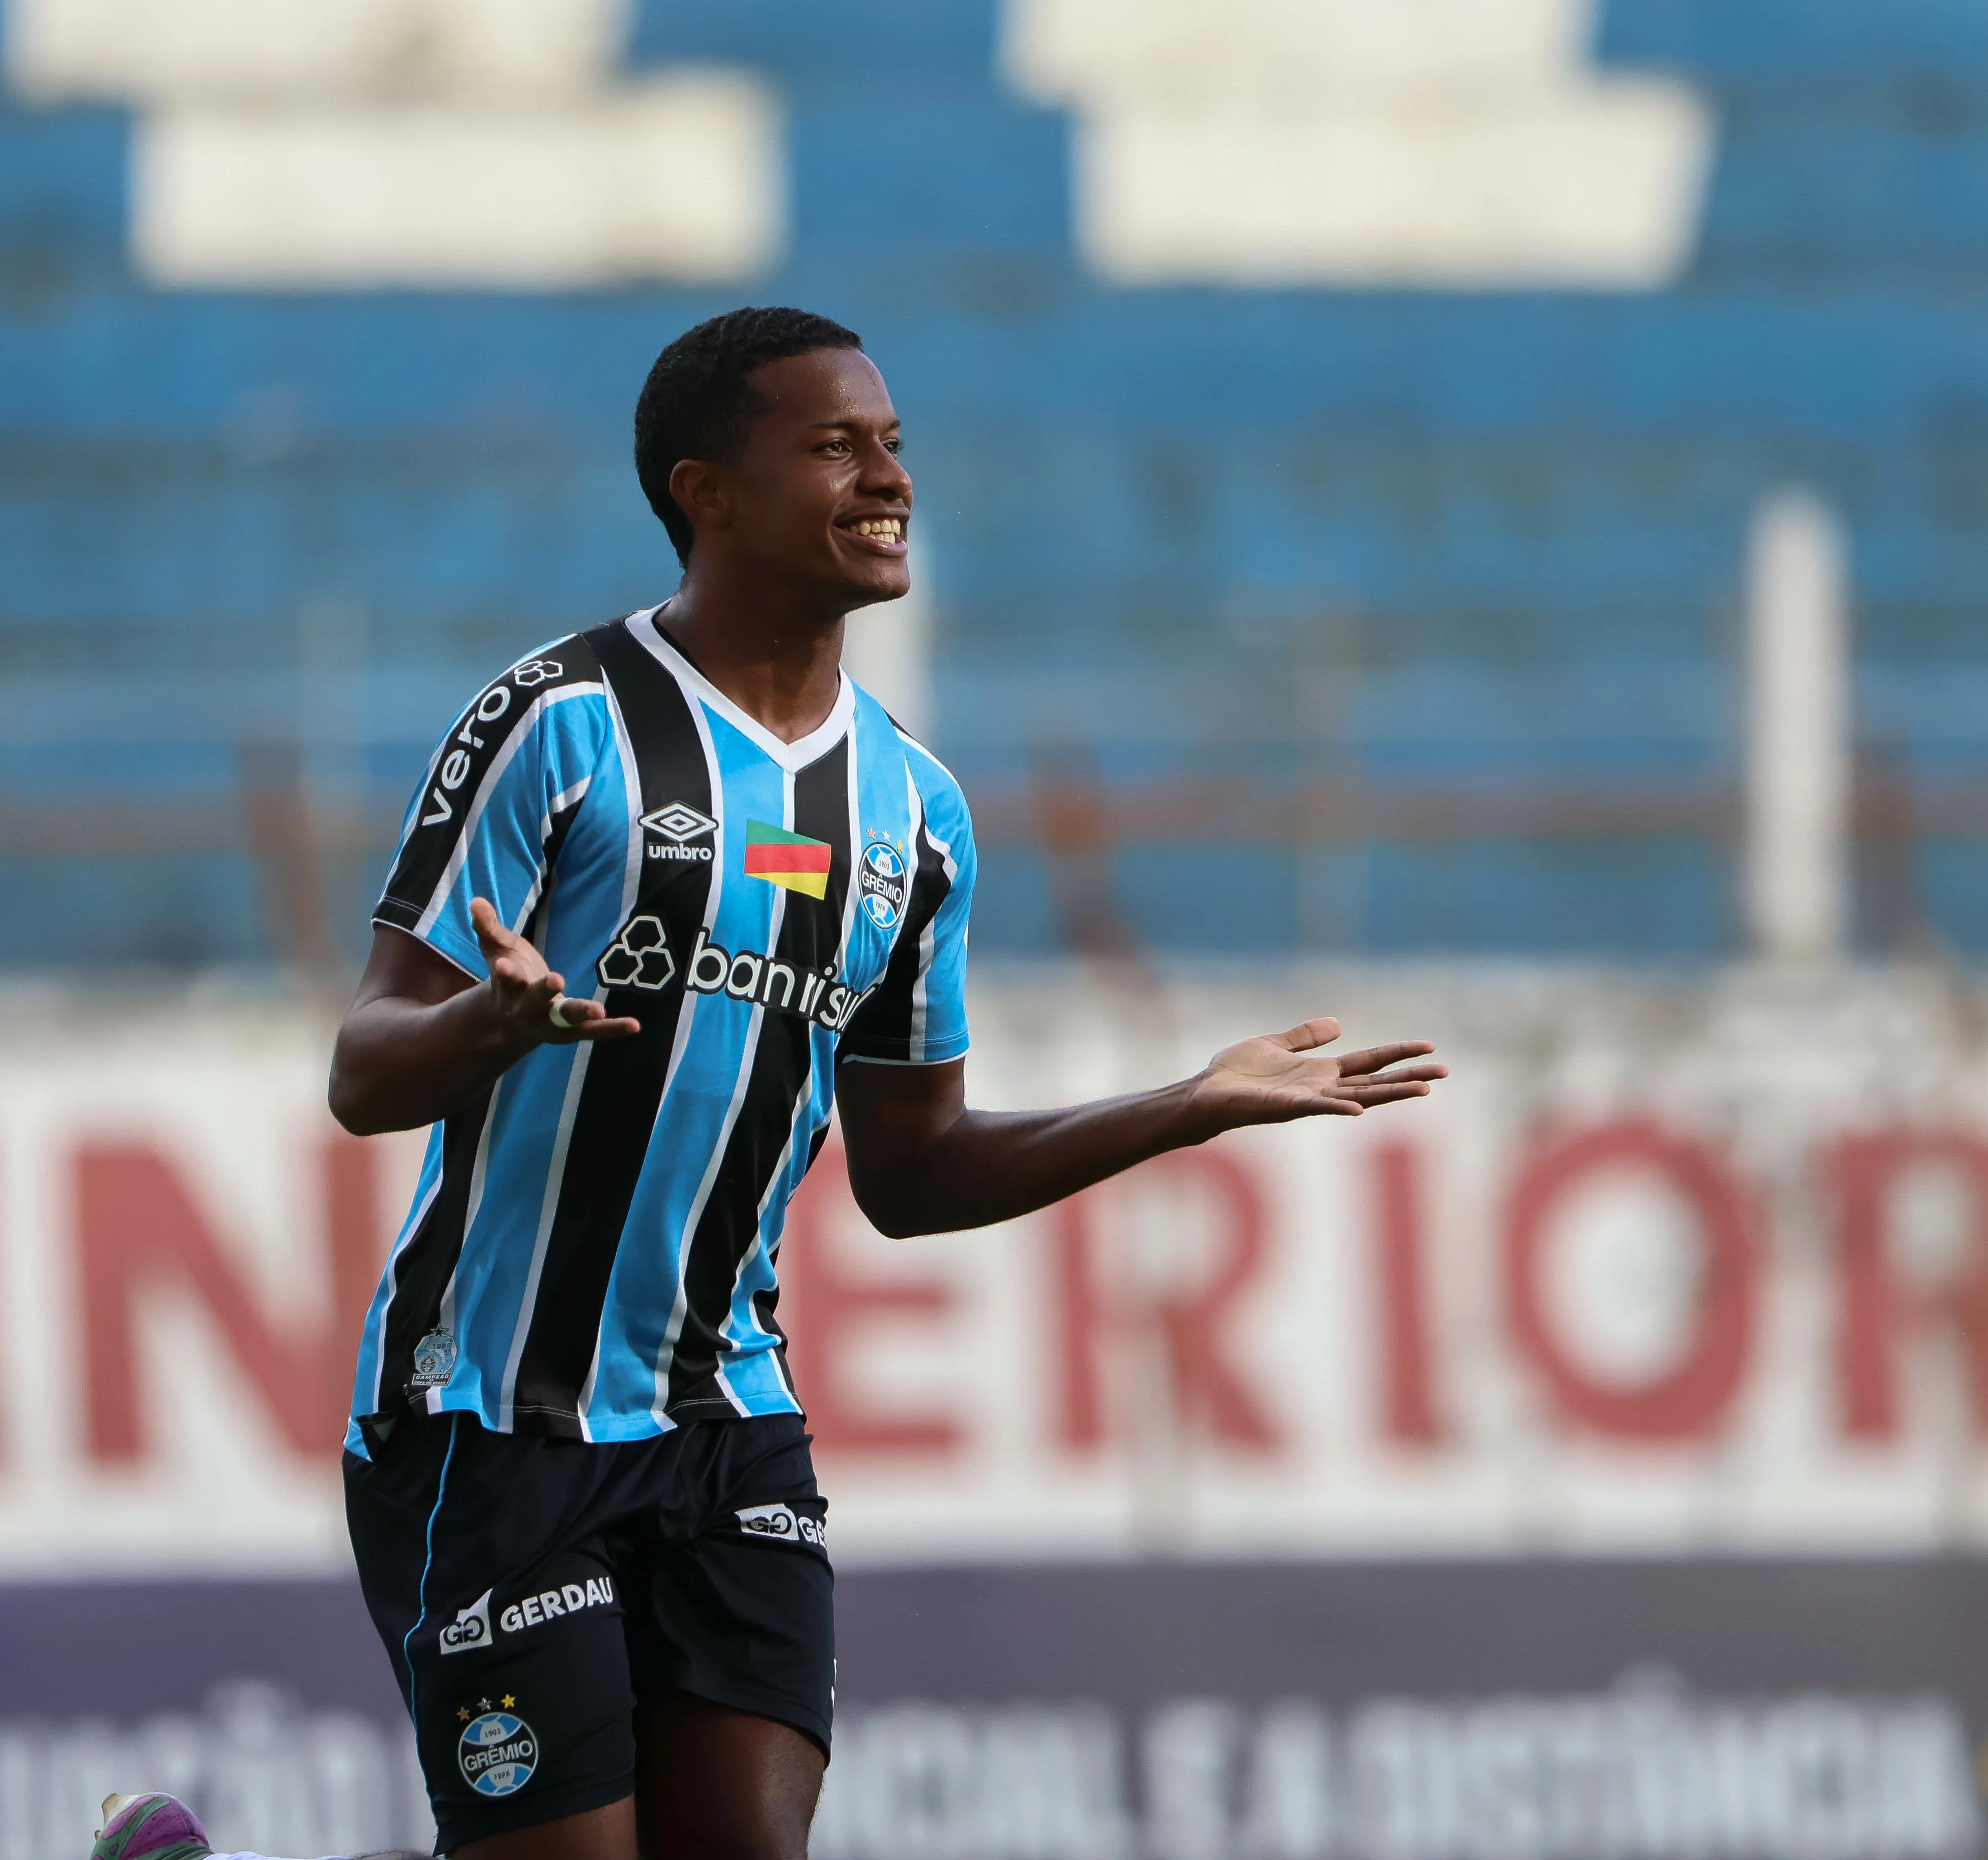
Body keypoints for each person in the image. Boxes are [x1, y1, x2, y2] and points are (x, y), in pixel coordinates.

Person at [94, 307, 1445, 1860]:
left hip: (730, 1420)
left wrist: (1185, 1106)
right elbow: (363, 1065)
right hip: (492, 1416)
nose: (888, 478)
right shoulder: (560, 724)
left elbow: (914, 1169)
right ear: (706, 490)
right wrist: (493, 1026)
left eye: (893, 444)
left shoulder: (916, 818)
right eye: (835, 445)